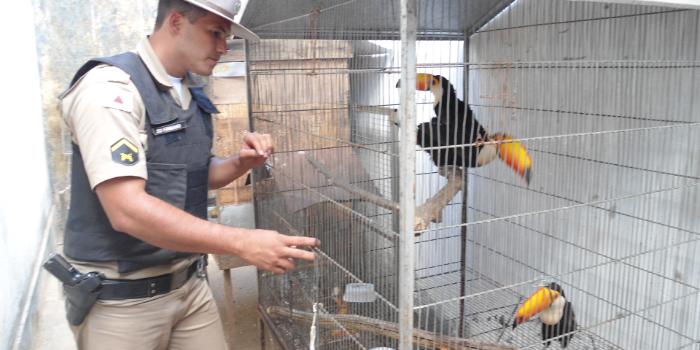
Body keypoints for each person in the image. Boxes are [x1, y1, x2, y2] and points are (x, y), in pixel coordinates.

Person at [58, 0, 319, 348]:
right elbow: (126, 210)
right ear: (177, 21)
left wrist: (240, 163)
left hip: (189, 284)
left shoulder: (191, 90)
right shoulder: (110, 90)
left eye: (226, 36)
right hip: (123, 297)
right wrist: (242, 242)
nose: (224, 48)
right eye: (215, 33)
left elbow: (194, 174)